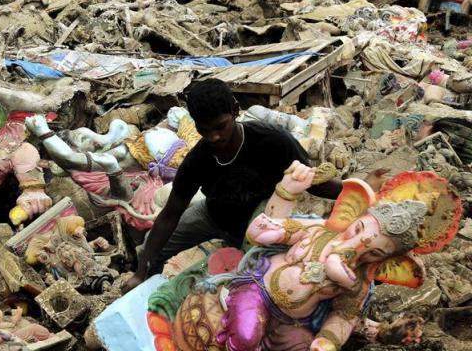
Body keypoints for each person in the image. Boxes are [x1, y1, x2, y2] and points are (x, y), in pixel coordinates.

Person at [123, 79, 384, 292]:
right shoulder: (199, 159)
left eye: (220, 127)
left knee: (262, 279)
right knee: (151, 248)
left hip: (263, 222)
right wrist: (141, 270)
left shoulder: (272, 141)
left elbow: (314, 184)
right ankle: (146, 297)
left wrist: (362, 191)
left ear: (235, 111)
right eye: (205, 130)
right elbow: (170, 214)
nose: (214, 136)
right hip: (213, 214)